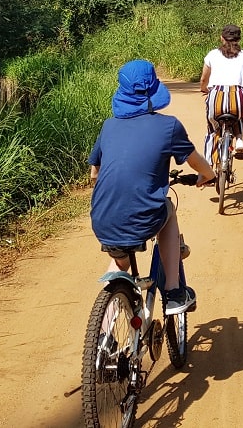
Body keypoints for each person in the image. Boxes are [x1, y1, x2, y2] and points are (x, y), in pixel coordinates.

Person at [88, 59, 215, 316]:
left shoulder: (108, 126)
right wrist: (208, 176)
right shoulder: (168, 126)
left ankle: (107, 325)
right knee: (167, 209)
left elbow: (94, 174)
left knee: (120, 259)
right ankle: (174, 291)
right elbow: (196, 162)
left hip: (102, 219)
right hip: (144, 217)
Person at [199, 23, 243, 161]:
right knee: (239, 115)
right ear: (239, 39)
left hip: (216, 95)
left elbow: (203, 79)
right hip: (238, 96)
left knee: (212, 128)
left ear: (221, 38)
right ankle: (239, 140)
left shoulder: (213, 55)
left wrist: (204, 88)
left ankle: (209, 164)